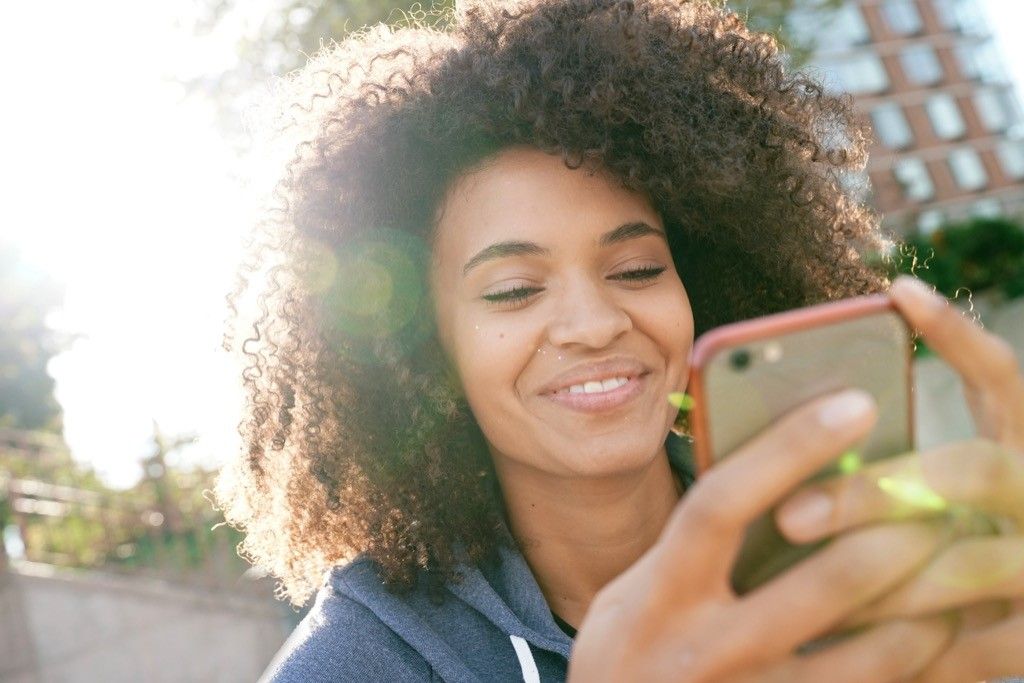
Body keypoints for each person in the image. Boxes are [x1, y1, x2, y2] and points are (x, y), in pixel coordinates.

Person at [213, 0, 1024, 680]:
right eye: (514, 290)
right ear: (424, 357)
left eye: (637, 268)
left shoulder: (839, 552)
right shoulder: (359, 663)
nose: (597, 323)